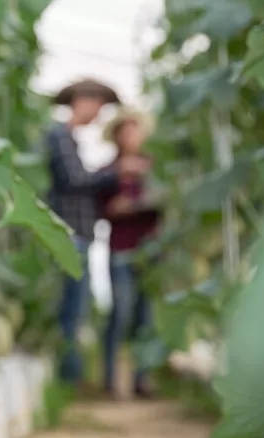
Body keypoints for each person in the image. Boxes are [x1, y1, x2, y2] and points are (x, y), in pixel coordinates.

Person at [45, 79, 149, 388]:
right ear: (83, 100)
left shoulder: (69, 140)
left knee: (77, 308)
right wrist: (115, 173)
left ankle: (72, 376)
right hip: (72, 234)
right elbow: (76, 180)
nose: (98, 115)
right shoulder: (60, 136)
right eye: (99, 108)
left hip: (80, 235)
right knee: (73, 311)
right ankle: (70, 378)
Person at [96, 107, 162, 399]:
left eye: (134, 129)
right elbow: (105, 209)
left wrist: (132, 205)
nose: (129, 135)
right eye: (124, 130)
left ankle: (142, 380)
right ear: (116, 135)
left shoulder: (153, 167)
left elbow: (165, 198)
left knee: (145, 317)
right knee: (120, 313)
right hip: (120, 250)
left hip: (150, 250)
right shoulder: (107, 171)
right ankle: (110, 380)